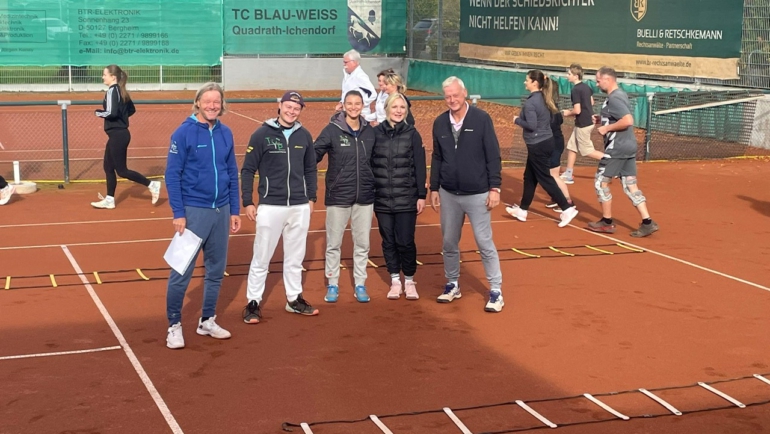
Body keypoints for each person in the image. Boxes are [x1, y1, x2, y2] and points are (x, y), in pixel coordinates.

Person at [164, 82, 241, 350]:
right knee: (181, 271)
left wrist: (234, 209)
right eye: (207, 101)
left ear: (222, 104)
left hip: (221, 212)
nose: (212, 106)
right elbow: (172, 175)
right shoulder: (183, 133)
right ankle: (174, 325)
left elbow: (231, 172)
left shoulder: (226, 133)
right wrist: (179, 213)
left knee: (216, 271)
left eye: (216, 102)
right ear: (197, 103)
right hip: (194, 212)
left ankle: (207, 320)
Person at [241, 91, 319, 324]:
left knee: (295, 257)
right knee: (261, 257)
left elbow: (310, 170)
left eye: (297, 108)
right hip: (270, 205)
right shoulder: (261, 134)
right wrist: (248, 201)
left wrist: (311, 198)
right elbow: (248, 170)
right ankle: (253, 302)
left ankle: (294, 299)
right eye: (288, 106)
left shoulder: (304, 135)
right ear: (280, 105)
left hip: (299, 206)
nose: (292, 111)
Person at [429, 77, 504, 313]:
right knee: (449, 242)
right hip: (449, 193)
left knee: (484, 242)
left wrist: (495, 188)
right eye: (448, 96)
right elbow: (438, 157)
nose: (452, 100)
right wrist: (434, 187)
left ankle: (496, 290)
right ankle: (452, 284)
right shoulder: (440, 123)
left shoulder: (481, 119)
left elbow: (493, 154)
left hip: (478, 194)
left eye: (455, 95)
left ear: (464, 93)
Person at [315, 90, 376, 303]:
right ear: (343, 105)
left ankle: (360, 283)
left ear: (362, 105)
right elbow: (313, 154)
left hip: (365, 197)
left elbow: (378, 161)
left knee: (362, 244)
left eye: (357, 103)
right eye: (349, 103)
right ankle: (333, 284)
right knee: (333, 244)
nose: (353, 107)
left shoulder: (370, 131)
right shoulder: (332, 130)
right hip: (338, 196)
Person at [586, 67, 659, 237]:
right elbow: (617, 116)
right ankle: (647, 222)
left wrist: (606, 128)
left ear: (608, 79)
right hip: (628, 146)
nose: (597, 84)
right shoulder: (619, 95)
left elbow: (627, 120)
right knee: (630, 185)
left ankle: (607, 222)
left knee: (600, 183)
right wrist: (601, 119)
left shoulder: (615, 98)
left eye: (598, 80)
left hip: (616, 148)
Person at [505, 71, 579, 228]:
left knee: (545, 178)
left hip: (538, 145)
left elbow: (531, 125)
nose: (525, 83)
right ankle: (523, 210)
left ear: (534, 83)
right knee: (529, 177)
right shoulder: (544, 98)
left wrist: (517, 120)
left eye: (527, 80)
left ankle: (567, 208)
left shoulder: (532, 103)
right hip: (543, 143)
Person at [372, 93, 427, 300]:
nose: (398, 111)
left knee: (405, 241)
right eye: (394, 107)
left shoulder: (413, 134)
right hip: (382, 198)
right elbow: (370, 165)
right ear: (387, 109)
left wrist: (421, 195)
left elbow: (420, 166)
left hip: (406, 198)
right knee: (388, 241)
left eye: (402, 108)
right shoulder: (376, 134)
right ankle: (395, 280)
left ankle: (410, 280)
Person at [91, 64, 161, 209]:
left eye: (104, 75)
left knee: (122, 170)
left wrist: (97, 112)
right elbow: (131, 110)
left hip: (118, 135)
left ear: (113, 77)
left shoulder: (112, 91)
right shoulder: (121, 91)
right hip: (118, 134)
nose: (102, 77)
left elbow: (111, 113)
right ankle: (110, 199)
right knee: (108, 167)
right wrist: (122, 119)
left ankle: (152, 185)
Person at [560, 63, 603, 184]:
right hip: (586, 121)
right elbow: (591, 102)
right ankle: (568, 173)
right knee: (572, 147)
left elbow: (577, 110)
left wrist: (568, 113)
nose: (567, 76)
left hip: (583, 123)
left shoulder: (575, 90)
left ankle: (613, 162)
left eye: (569, 74)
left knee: (587, 151)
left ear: (575, 76)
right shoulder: (586, 87)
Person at [545, 83, 574, 213]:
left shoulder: (549, 107)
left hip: (554, 143)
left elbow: (553, 123)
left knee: (553, 174)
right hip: (554, 141)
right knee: (549, 173)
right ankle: (557, 197)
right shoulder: (552, 106)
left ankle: (567, 200)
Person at [335, 50, 377, 119]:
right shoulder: (348, 75)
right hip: (349, 114)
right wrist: (342, 103)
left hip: (360, 115)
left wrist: (359, 105)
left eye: (346, 62)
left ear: (354, 62)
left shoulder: (360, 76)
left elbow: (373, 94)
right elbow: (346, 92)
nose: (344, 64)